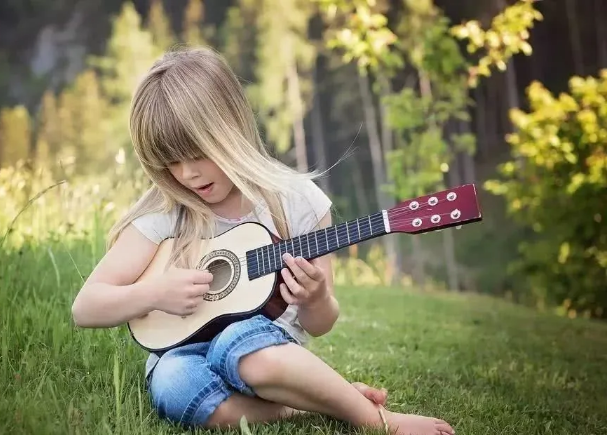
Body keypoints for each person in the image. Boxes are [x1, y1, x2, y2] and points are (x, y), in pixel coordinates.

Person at [71, 46, 455, 435]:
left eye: (197, 152)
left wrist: (316, 298)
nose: (187, 173)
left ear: (230, 127)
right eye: (170, 160)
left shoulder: (297, 200)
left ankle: (377, 420)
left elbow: (320, 324)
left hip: (264, 348)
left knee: (239, 343)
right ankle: (312, 407)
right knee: (172, 383)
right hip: (183, 351)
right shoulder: (165, 212)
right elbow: (85, 308)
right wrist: (154, 294)